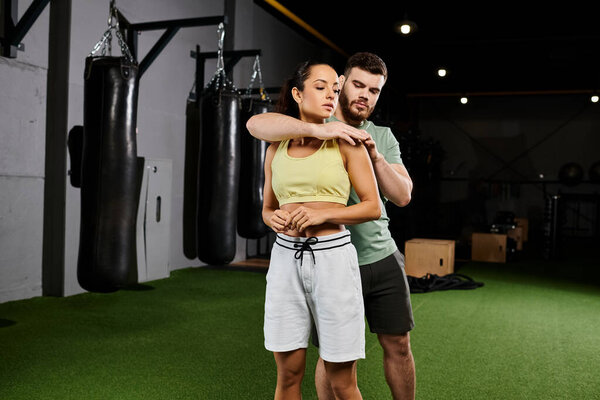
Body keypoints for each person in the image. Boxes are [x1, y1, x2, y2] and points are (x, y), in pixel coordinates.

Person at [248, 52, 416, 400]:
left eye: (374, 90)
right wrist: (317, 128)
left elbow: (400, 197)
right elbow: (257, 127)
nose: (364, 95)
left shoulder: (373, 137)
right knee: (314, 361)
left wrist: (375, 156)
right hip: (297, 257)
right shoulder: (288, 137)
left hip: (371, 254)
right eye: (355, 85)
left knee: (393, 346)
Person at [261, 60, 381, 400]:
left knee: (342, 381)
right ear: (298, 94)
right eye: (320, 86)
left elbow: (372, 206)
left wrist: (320, 216)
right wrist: (273, 219)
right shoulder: (275, 149)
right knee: (288, 376)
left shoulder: (347, 143)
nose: (331, 94)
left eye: (335, 88)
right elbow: (267, 209)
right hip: (285, 260)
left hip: (332, 260)